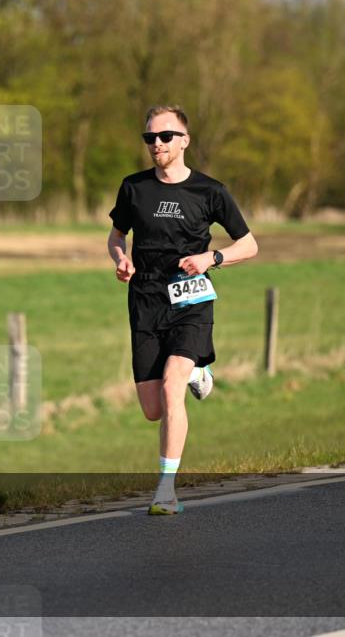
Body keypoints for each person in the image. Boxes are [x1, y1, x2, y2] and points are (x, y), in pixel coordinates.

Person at [107, 105, 258, 515]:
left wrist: (213, 259)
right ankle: (197, 369)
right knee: (153, 409)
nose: (157, 144)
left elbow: (249, 244)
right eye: (150, 138)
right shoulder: (133, 188)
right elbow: (116, 235)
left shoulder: (210, 191)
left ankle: (166, 490)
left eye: (165, 136)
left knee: (173, 387)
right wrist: (121, 259)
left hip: (191, 301)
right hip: (145, 301)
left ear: (184, 141)